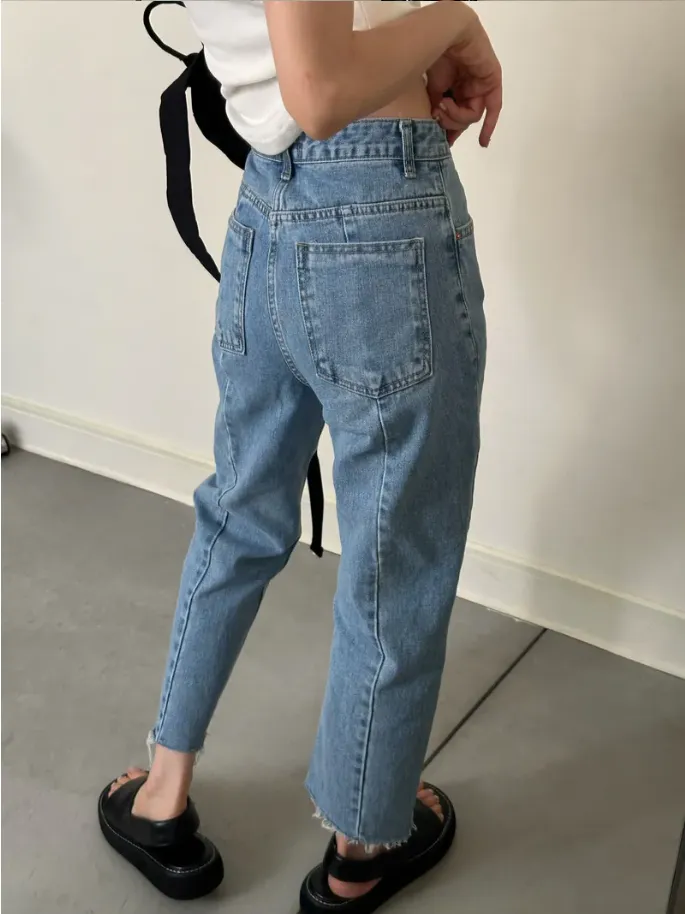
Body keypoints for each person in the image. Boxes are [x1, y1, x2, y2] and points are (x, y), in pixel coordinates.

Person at [98, 2, 502, 911]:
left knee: (239, 510)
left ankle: (162, 790)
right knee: (398, 546)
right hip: (379, 199)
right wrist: (452, 21)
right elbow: (318, 90)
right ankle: (361, 846)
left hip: (269, 199)